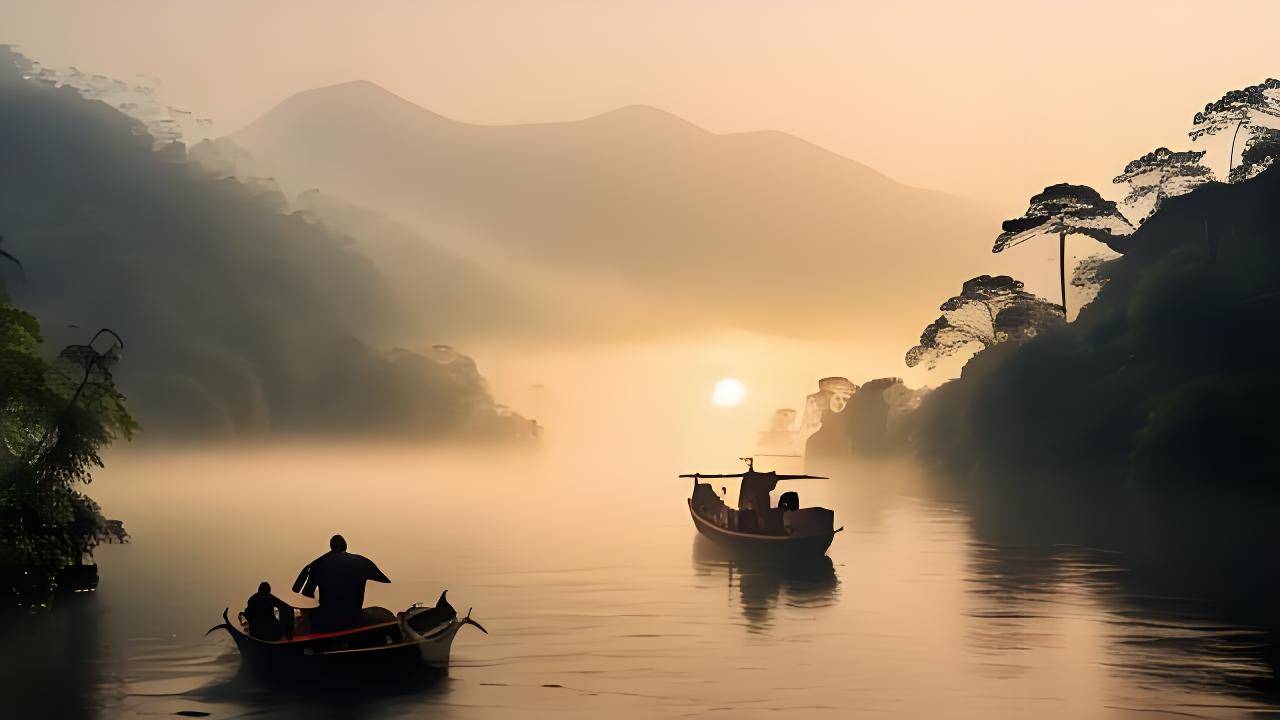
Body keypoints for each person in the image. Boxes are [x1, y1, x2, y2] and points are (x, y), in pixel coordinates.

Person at [292, 534, 391, 631]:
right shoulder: (362, 562)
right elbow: (385, 580)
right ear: (346, 546)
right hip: (354, 618)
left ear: (331, 547)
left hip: (326, 620)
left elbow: (307, 593)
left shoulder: (318, 565)